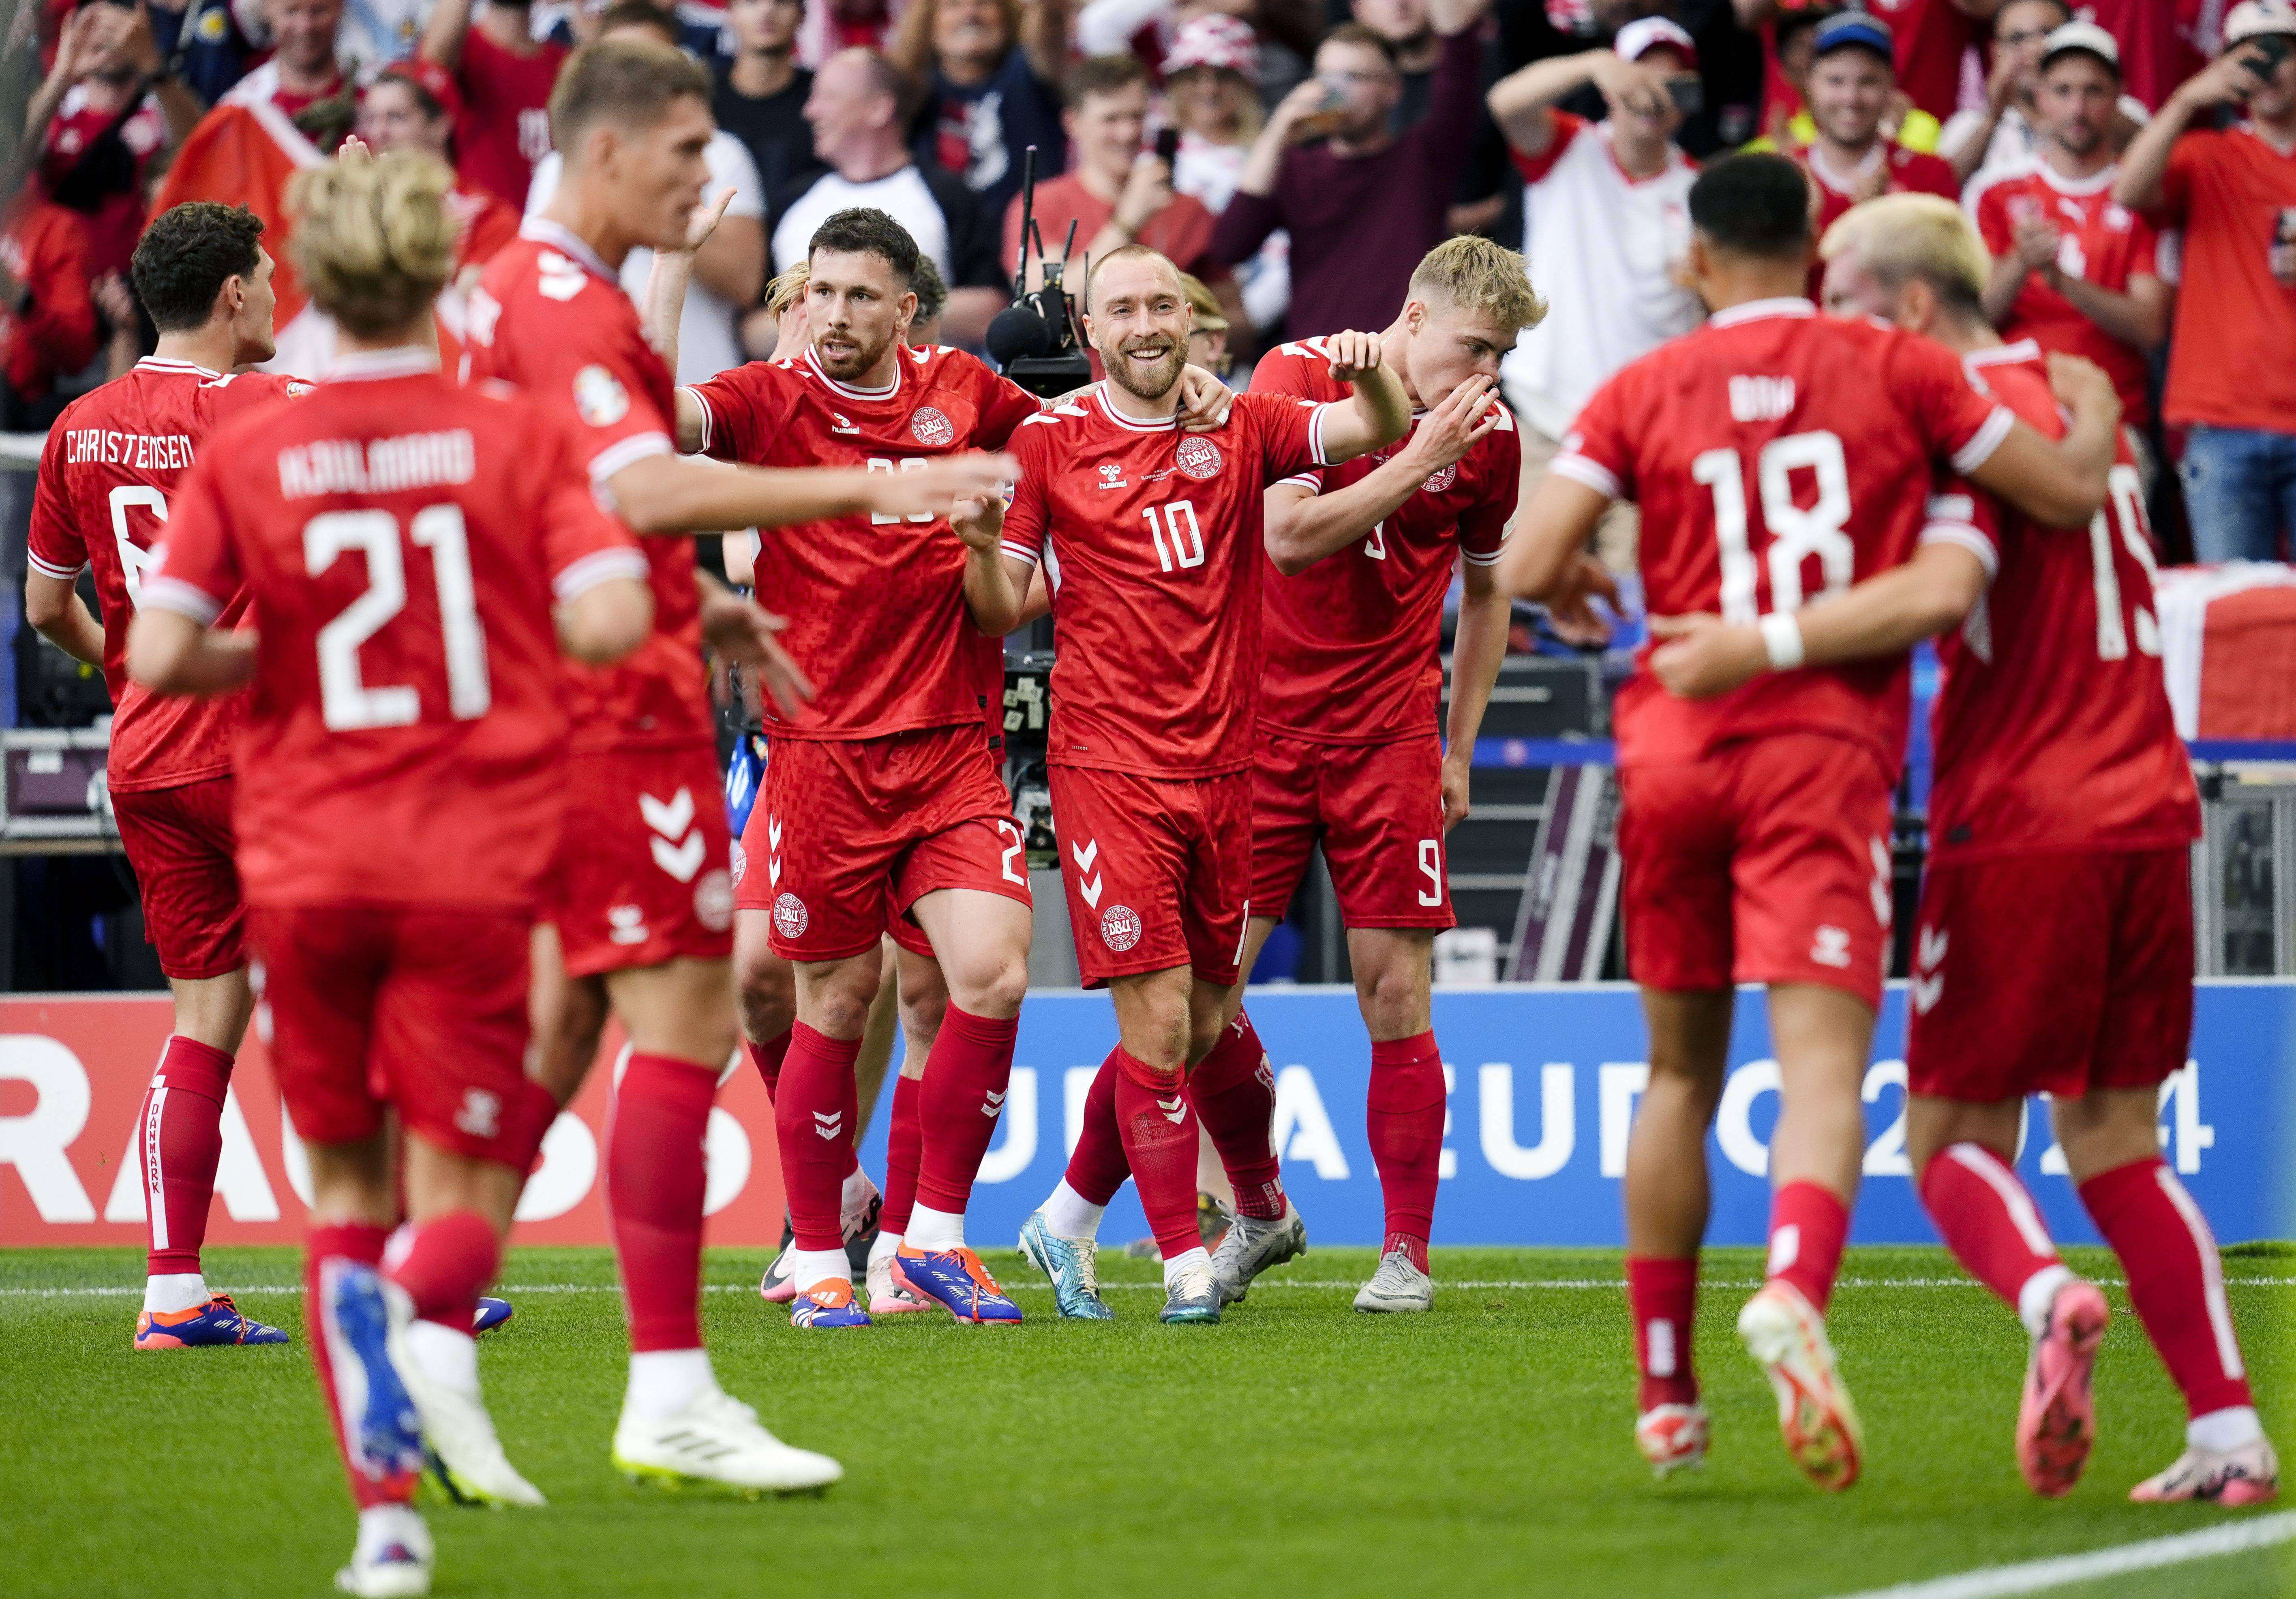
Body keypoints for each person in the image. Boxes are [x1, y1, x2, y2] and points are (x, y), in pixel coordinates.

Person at [1496, 152, 2122, 1490]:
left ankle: (1666, 1396)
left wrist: (1576, 594)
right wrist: (2087, 409)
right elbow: (2061, 495)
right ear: (1814, 235)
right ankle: (1790, 1288)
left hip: (1669, 739)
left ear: (1694, 259)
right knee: (1820, 1071)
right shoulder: (1897, 368)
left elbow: (1536, 556)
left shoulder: (1638, 384)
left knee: (1675, 1072)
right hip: (1817, 747)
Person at [1660, 191, 2278, 1509]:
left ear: (1911, 308)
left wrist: (1749, 648)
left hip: (2022, 817)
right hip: (2149, 796)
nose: (1832, 329)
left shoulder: (1940, 421)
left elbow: (1943, 586)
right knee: (2115, 1138)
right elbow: (2078, 474)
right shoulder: (2069, 388)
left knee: (1942, 1135)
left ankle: (2051, 1297)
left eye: (1847, 301)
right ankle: (2228, 1432)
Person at [464, 36, 1010, 1489]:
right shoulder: (572, 302)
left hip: (699, 710)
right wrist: (868, 482)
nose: (710, 181)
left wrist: (694, 602)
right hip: (629, 726)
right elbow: (641, 473)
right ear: (606, 152)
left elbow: (581, 490)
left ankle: (443, 1337)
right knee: (712, 1010)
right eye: (689, 151)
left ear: (904, 303)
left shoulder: (535, 297)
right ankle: (542, 1339)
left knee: (611, 1029)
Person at [121, 149, 665, 1598]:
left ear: (302, 280)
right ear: (440, 274)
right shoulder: (509, 432)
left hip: (304, 863)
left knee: (342, 1192)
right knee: (471, 1181)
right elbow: (612, 613)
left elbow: (162, 651)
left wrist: (290, 653)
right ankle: (425, 1338)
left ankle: (385, 1530)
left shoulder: (248, 446)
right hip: (469, 861)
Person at [962, 244, 1410, 1324]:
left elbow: (1377, 430)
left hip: (1230, 768)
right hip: (1107, 764)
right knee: (1158, 1024)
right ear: (1091, 326)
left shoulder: (1242, 423)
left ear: (1193, 319)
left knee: (1205, 1024)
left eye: (1164, 303)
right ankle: (1180, 1263)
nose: (1147, 323)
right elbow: (997, 606)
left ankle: (1065, 1220)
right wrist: (977, 541)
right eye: (1123, 308)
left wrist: (1370, 371)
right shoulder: (1049, 442)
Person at [670, 207, 1039, 1328]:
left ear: (907, 309)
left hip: (951, 748)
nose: (834, 314)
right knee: (833, 996)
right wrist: (673, 262)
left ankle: (933, 1241)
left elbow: (1084, 429)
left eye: (860, 296)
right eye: (819, 292)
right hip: (819, 756)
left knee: (990, 975)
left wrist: (1168, 384)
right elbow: (648, 415)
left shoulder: (967, 392)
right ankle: (820, 1249)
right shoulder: (764, 399)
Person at [1200, 237, 1553, 1316]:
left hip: (1389, 737)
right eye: (1475, 349)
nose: (1485, 378)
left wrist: (1458, 746)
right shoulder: (1296, 381)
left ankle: (1406, 1254)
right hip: (1257, 727)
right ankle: (1256, 1206)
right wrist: (1413, 448)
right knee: (1205, 998)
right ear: (1411, 315)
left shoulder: (1489, 442)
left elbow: (1489, 595)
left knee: (1395, 992)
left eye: (1501, 359)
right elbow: (1293, 538)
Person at [22, 202, 298, 1352]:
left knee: (203, 1022)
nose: (281, 297)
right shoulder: (280, 413)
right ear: (233, 293)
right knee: (383, 995)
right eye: (273, 278)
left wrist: (134, 666)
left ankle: (174, 1289)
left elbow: (46, 609)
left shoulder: (79, 422)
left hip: (149, 758)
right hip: (271, 752)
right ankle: (405, 1280)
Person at [1487, 14, 1703, 570]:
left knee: (1638, 602)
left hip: (1649, 437)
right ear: (1611, 86)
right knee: (1525, 591)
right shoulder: (1568, 145)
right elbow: (1506, 102)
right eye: (1639, 79)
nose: (1652, 96)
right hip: (1546, 417)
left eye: (1670, 84)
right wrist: (1591, 64)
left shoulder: (1700, 189)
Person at [2116, 0, 2296, 563]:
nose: (2265, 69)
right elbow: (2128, 192)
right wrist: (2189, 98)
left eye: (2280, 53)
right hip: (2222, 419)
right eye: (2247, 57)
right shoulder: (2205, 155)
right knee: (2230, 616)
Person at [523, 2, 767, 386]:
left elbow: (743, 281)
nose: (704, 173)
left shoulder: (560, 289)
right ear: (606, 154)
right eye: (685, 151)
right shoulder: (561, 307)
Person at [1211, 4, 1488, 339]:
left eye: (1353, 78)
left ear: (1392, 90)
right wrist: (1278, 130)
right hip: (1315, 367)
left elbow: (1460, 66)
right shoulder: (1297, 167)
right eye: (1325, 77)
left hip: (1397, 364)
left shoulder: (1424, 157)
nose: (1334, 91)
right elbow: (1230, 247)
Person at [1970, 24, 2169, 454]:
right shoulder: (1996, 190)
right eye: (2062, 91)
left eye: (2093, 91)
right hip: (2016, 412)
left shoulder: (2141, 194)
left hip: (2118, 418)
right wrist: (2022, 263)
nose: (2077, 108)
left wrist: (2063, 283)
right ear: (2039, 97)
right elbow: (1973, 316)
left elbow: (2150, 326)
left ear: (2118, 97)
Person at [771, 47, 1005, 348]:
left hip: (919, 389)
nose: (810, 111)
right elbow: (749, 324)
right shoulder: (792, 200)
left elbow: (991, 310)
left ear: (879, 108)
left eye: (828, 97)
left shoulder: (948, 196)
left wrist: (871, 311)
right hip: (802, 392)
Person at [1003, 56, 1225, 295]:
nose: (1128, 133)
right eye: (1111, 119)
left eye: (1138, 117)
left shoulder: (1190, 209)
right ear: (1073, 123)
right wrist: (1126, 224)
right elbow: (1049, 308)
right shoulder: (1041, 205)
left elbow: (1236, 317)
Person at [25, 0, 202, 281]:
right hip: (58, 287)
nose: (106, 35)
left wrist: (153, 64)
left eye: (117, 23)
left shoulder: (162, 104)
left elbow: (203, 145)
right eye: (93, 23)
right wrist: (62, 76)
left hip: (142, 286)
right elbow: (15, 159)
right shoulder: (57, 108)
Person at [1790, 11, 1957, 275]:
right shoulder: (1783, 176)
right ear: (1810, 84)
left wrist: (1883, 222)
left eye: (1868, 81)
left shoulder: (1930, 175)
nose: (1851, 98)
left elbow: (1945, 281)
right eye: (1835, 81)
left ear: (1891, 84)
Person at [890, 0, 1069, 220]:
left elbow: (1048, 35)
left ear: (1007, 15)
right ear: (928, 22)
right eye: (953, 5)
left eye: (984, 3)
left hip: (1028, 240)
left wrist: (1044, 9)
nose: (970, 14)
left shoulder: (1031, 71)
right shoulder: (915, 91)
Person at [356, 60, 524, 274]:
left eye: (395, 118)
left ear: (441, 124)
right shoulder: (361, 207)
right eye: (371, 119)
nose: (379, 133)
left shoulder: (485, 218)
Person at [419, 0, 569, 211]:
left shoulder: (565, 62)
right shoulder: (469, 51)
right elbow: (433, 60)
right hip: (485, 231)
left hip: (548, 230)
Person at [713, 0, 822, 202]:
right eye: (751, 2)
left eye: (782, 2)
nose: (767, 11)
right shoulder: (703, 96)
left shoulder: (824, 97)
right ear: (730, 13)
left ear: (802, 15)